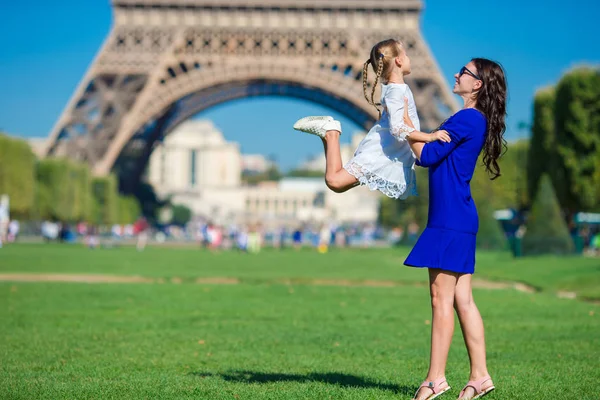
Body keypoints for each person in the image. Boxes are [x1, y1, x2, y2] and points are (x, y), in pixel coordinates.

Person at [402, 58, 507, 400]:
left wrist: (403, 128)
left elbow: (427, 156)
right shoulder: (474, 119)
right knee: (462, 299)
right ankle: (480, 376)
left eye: (463, 71)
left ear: (476, 84)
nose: (455, 74)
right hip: (458, 217)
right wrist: (418, 133)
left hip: (449, 220)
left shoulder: (466, 118)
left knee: (440, 298)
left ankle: (435, 379)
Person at [293, 39, 450, 199]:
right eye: (406, 55)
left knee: (337, 182)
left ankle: (329, 134)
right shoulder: (396, 91)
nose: (410, 58)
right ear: (399, 60)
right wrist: (429, 136)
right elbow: (397, 128)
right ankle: (331, 133)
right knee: (335, 181)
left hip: (389, 152)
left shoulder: (398, 89)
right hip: (383, 153)